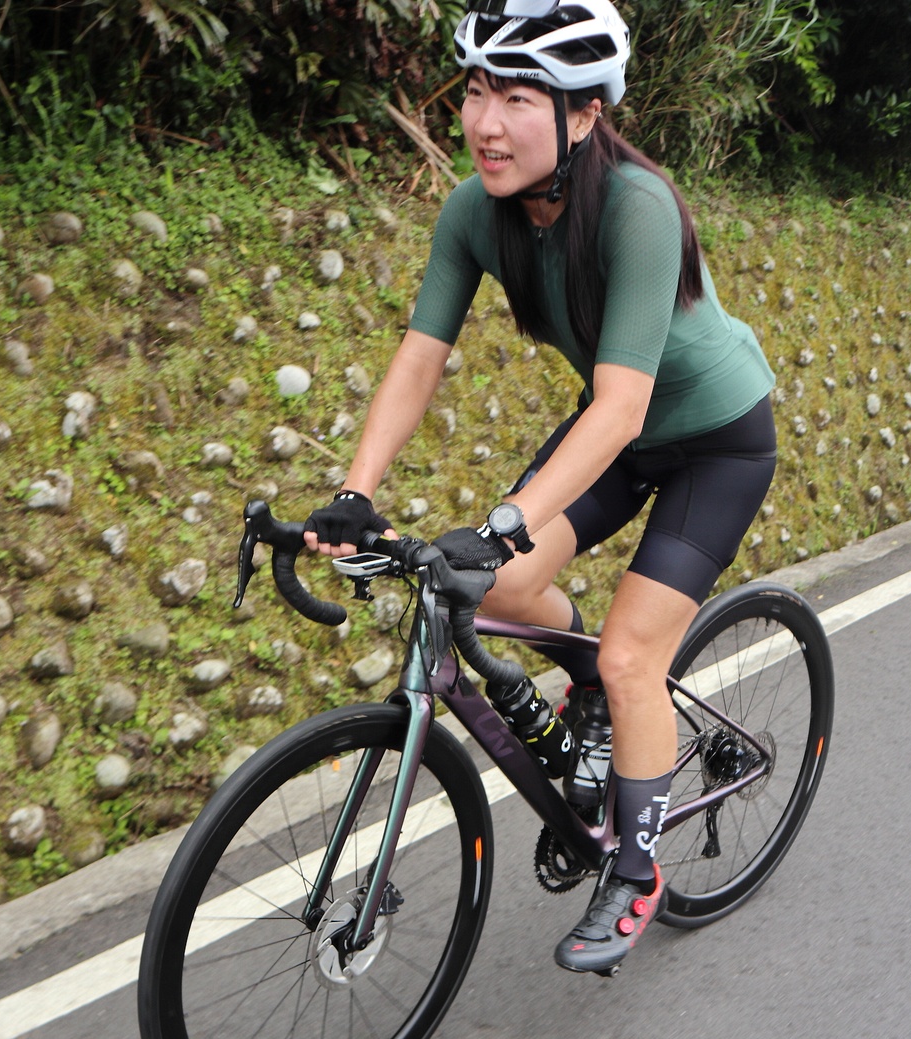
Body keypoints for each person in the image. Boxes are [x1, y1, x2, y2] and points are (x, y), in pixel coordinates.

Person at [300, 0, 776, 975]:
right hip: (619, 434)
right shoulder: (476, 212)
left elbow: (621, 406)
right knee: (505, 586)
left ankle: (635, 870)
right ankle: (591, 689)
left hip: (713, 441)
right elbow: (421, 354)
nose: (484, 122)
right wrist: (355, 491)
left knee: (634, 655)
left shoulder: (637, 208)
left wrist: (506, 518)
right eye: (476, 91)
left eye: (518, 99)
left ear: (586, 113)